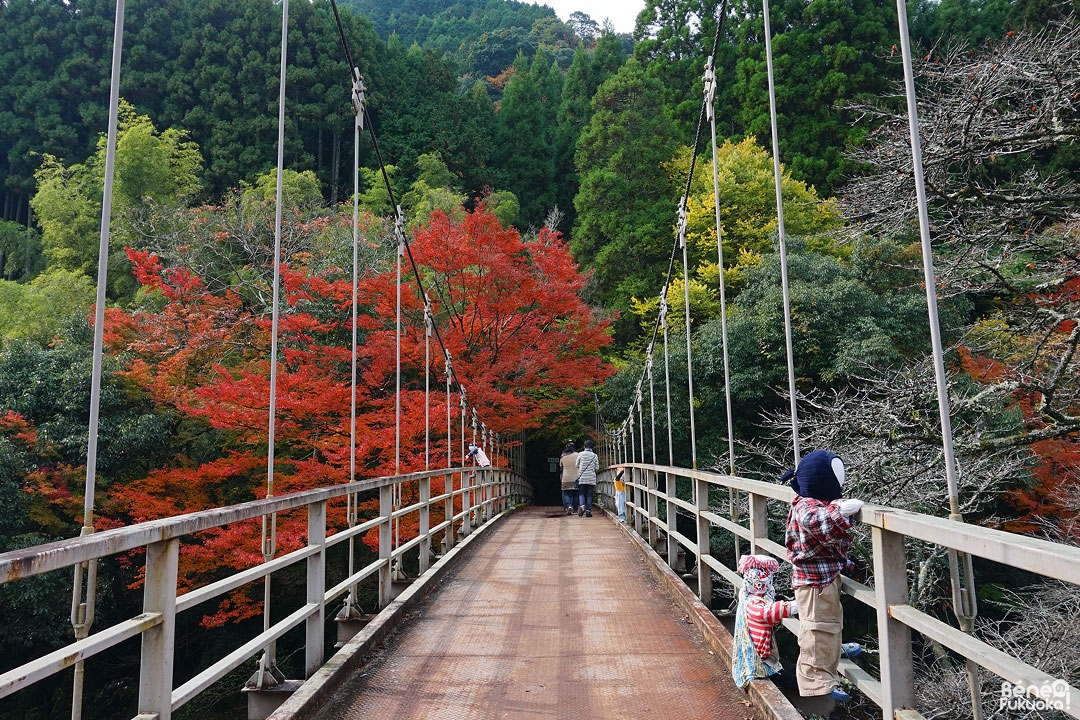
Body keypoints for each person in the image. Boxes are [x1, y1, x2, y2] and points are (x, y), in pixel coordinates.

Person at [783, 449, 864, 702]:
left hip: (822, 578)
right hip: (814, 582)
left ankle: (833, 650)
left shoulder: (813, 501)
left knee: (829, 622)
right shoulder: (807, 506)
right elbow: (817, 521)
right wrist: (842, 511)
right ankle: (816, 683)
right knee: (817, 629)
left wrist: (847, 564)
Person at [731, 554, 797, 688]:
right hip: (758, 663)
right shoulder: (755, 605)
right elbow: (769, 612)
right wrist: (799, 605)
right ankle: (815, 684)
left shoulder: (745, 594)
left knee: (785, 670)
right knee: (789, 680)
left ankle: (805, 672)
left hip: (759, 656)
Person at [574, 440, 599, 517]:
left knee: (581, 493)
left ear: (584, 446)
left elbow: (576, 465)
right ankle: (588, 511)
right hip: (591, 478)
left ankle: (582, 506)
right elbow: (597, 468)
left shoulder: (580, 454)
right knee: (589, 495)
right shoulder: (595, 456)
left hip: (582, 478)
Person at [559, 441, 579, 515]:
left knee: (566, 493)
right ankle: (575, 509)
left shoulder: (563, 456)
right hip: (576, 477)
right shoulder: (577, 455)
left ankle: (569, 506)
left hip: (566, 477)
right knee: (576, 494)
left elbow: (560, 466)